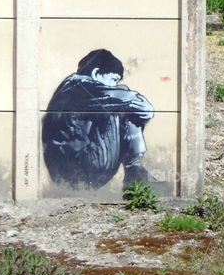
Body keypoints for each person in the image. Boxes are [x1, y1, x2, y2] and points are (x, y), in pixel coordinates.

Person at [42, 49, 157, 191]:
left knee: (118, 107)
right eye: (113, 79)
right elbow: (146, 109)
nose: (114, 85)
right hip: (82, 167)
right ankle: (134, 170)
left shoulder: (69, 87)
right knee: (125, 110)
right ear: (96, 73)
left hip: (66, 168)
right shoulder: (84, 87)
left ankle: (135, 169)